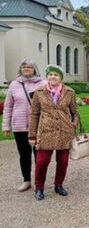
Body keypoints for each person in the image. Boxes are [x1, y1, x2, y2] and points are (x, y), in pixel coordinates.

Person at [28, 65, 79, 200]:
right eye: (50, 74)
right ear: (47, 76)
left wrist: (73, 125)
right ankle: (39, 187)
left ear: (60, 77)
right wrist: (32, 134)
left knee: (63, 161)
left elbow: (75, 113)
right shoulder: (39, 92)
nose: (53, 77)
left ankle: (59, 185)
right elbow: (34, 114)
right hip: (46, 132)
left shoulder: (70, 92)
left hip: (64, 132)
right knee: (42, 162)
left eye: (56, 75)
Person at [2, 59, 46, 192]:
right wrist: (6, 125)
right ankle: (26, 180)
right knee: (24, 154)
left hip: (38, 125)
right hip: (19, 125)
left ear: (35, 69)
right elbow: (8, 106)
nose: (26, 69)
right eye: (24, 67)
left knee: (40, 155)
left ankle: (39, 182)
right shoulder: (14, 84)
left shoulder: (43, 84)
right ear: (20, 69)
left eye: (29, 67)